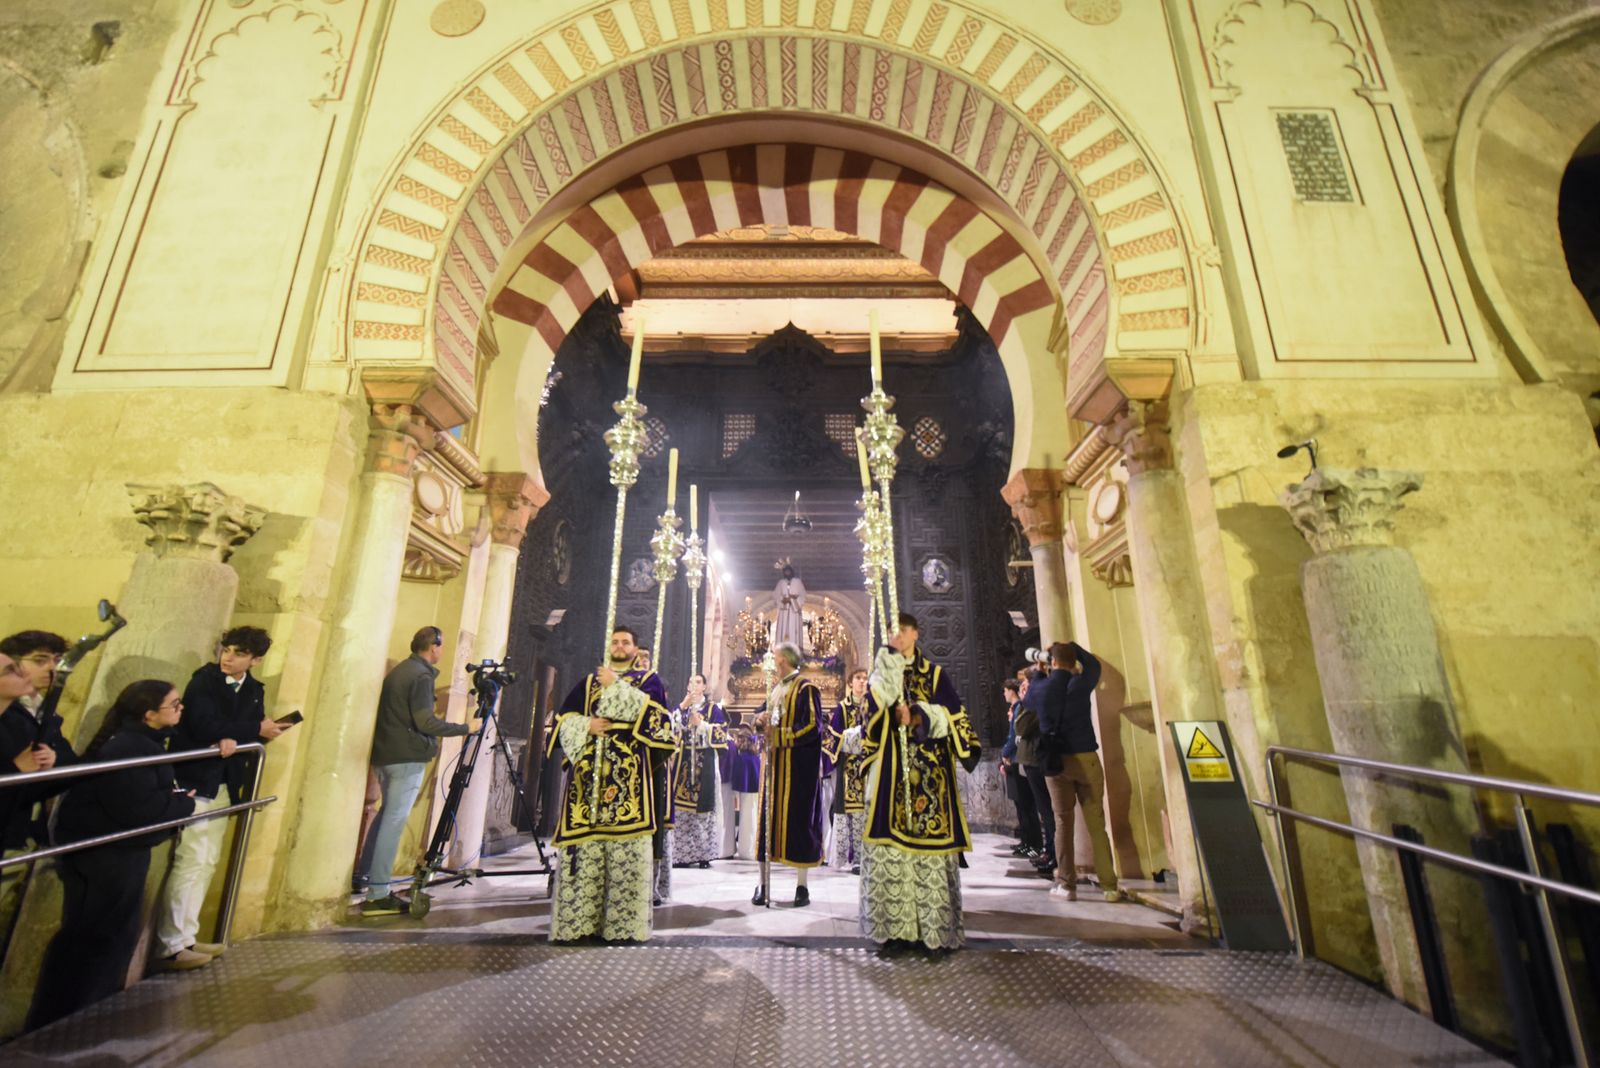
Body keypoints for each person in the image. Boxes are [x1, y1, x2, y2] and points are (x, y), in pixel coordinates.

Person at [29, 680, 197, 1029]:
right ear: (150, 714)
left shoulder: (140, 743)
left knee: (105, 934)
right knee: (100, 936)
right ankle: (75, 1019)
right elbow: (138, 810)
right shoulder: (130, 748)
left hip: (113, 849)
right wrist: (184, 803)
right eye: (175, 704)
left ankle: (84, 1014)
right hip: (107, 852)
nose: (181, 709)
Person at [153, 626, 286, 969]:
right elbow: (203, 724)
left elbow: (243, 729)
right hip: (198, 779)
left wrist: (250, 734)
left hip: (227, 781)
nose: (228, 657)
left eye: (238, 653)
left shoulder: (254, 688)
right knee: (192, 857)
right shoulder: (205, 680)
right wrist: (251, 731)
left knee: (208, 859)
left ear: (256, 660)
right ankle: (171, 945)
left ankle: (189, 936)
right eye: (226, 649)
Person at [851, 612, 979, 954]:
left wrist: (920, 714)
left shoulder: (935, 675)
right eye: (893, 631)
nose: (898, 636)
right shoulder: (881, 675)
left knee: (929, 856)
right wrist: (887, 687)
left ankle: (933, 931)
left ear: (916, 634)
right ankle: (895, 932)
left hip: (930, 780)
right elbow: (867, 719)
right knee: (890, 852)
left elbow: (957, 717)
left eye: (904, 631)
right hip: (891, 778)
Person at [547, 626, 675, 942]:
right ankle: (580, 925)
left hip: (629, 785)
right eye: (615, 641)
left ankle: (624, 927)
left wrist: (616, 687)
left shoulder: (650, 682)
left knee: (625, 852)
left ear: (635, 649)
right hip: (587, 786)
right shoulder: (588, 683)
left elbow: (660, 723)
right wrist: (585, 724)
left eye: (626, 642)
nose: (620, 646)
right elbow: (560, 721)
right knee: (587, 852)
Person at [358, 626, 479, 916]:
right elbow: (425, 722)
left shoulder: (401, 671)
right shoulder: (422, 676)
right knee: (393, 822)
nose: (442, 651)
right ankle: (377, 894)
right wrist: (465, 728)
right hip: (406, 756)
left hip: (387, 754)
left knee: (386, 816)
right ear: (433, 647)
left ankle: (366, 878)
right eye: (442, 646)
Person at [0, 634, 77, 953]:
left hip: (15, 830)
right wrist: (14, 769)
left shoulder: (38, 714)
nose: (52, 669)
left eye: (56, 660)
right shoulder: (16, 717)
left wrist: (54, 763)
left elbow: (67, 765)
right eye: (40, 660)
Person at [1038, 641, 1121, 902]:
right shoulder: (1080, 684)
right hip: (1086, 758)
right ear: (1073, 663)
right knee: (1097, 824)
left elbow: (1032, 704)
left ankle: (1066, 884)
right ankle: (1110, 887)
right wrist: (1074, 648)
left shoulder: (1043, 688)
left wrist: (1042, 671)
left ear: (1052, 663)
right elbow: (1094, 666)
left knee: (1062, 823)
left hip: (1057, 763)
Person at [751, 643, 824, 907]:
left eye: (775, 658)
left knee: (799, 825)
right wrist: (759, 721)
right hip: (772, 769)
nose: (771, 663)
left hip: (797, 770)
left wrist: (780, 736)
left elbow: (814, 727)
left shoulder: (806, 688)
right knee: (765, 825)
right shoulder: (774, 689)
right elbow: (761, 719)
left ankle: (801, 887)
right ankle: (762, 883)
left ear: (784, 660)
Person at [669, 673, 728, 870]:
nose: (694, 685)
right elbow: (669, 727)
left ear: (704, 687)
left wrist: (701, 725)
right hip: (683, 763)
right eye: (691, 681)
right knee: (682, 810)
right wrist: (683, 707)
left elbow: (722, 734)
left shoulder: (713, 709)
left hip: (705, 764)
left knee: (703, 812)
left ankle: (704, 855)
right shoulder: (682, 708)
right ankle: (682, 855)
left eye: (698, 682)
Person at [822, 668, 871, 873]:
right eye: (858, 678)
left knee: (867, 813)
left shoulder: (872, 707)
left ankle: (866, 857)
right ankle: (850, 857)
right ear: (850, 682)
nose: (862, 682)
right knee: (851, 813)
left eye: (865, 678)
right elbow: (831, 739)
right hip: (849, 768)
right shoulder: (842, 708)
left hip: (868, 766)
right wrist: (853, 736)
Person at [1015, 669, 1058, 877]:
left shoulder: (1034, 702)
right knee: (1044, 811)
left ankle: (1053, 852)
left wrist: (1025, 700)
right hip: (1034, 759)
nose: (1022, 689)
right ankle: (1050, 851)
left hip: (1036, 759)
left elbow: (1020, 727)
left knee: (1047, 811)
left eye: (1025, 686)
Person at [999, 677, 1043, 862]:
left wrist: (1005, 753)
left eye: (1005, 690)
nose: (1004, 694)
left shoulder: (1021, 708)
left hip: (1020, 759)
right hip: (1017, 759)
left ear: (1012, 690)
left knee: (1027, 805)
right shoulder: (1017, 709)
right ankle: (1027, 842)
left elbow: (1016, 735)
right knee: (1021, 805)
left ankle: (1033, 844)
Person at [729, 707, 762, 860]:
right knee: (751, 817)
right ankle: (749, 848)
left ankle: (746, 849)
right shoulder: (754, 757)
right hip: (753, 791)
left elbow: (737, 776)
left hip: (747, 792)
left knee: (746, 818)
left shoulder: (742, 758)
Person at [771, 560, 805, 651]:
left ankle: (795, 647)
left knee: (793, 627)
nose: (787, 573)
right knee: (783, 628)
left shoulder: (797, 582)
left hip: (794, 611)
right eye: (785, 571)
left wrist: (793, 600)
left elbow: (803, 595)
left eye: (789, 571)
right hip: (784, 611)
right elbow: (775, 595)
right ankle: (782, 647)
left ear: (792, 572)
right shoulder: (781, 583)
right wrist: (783, 600)